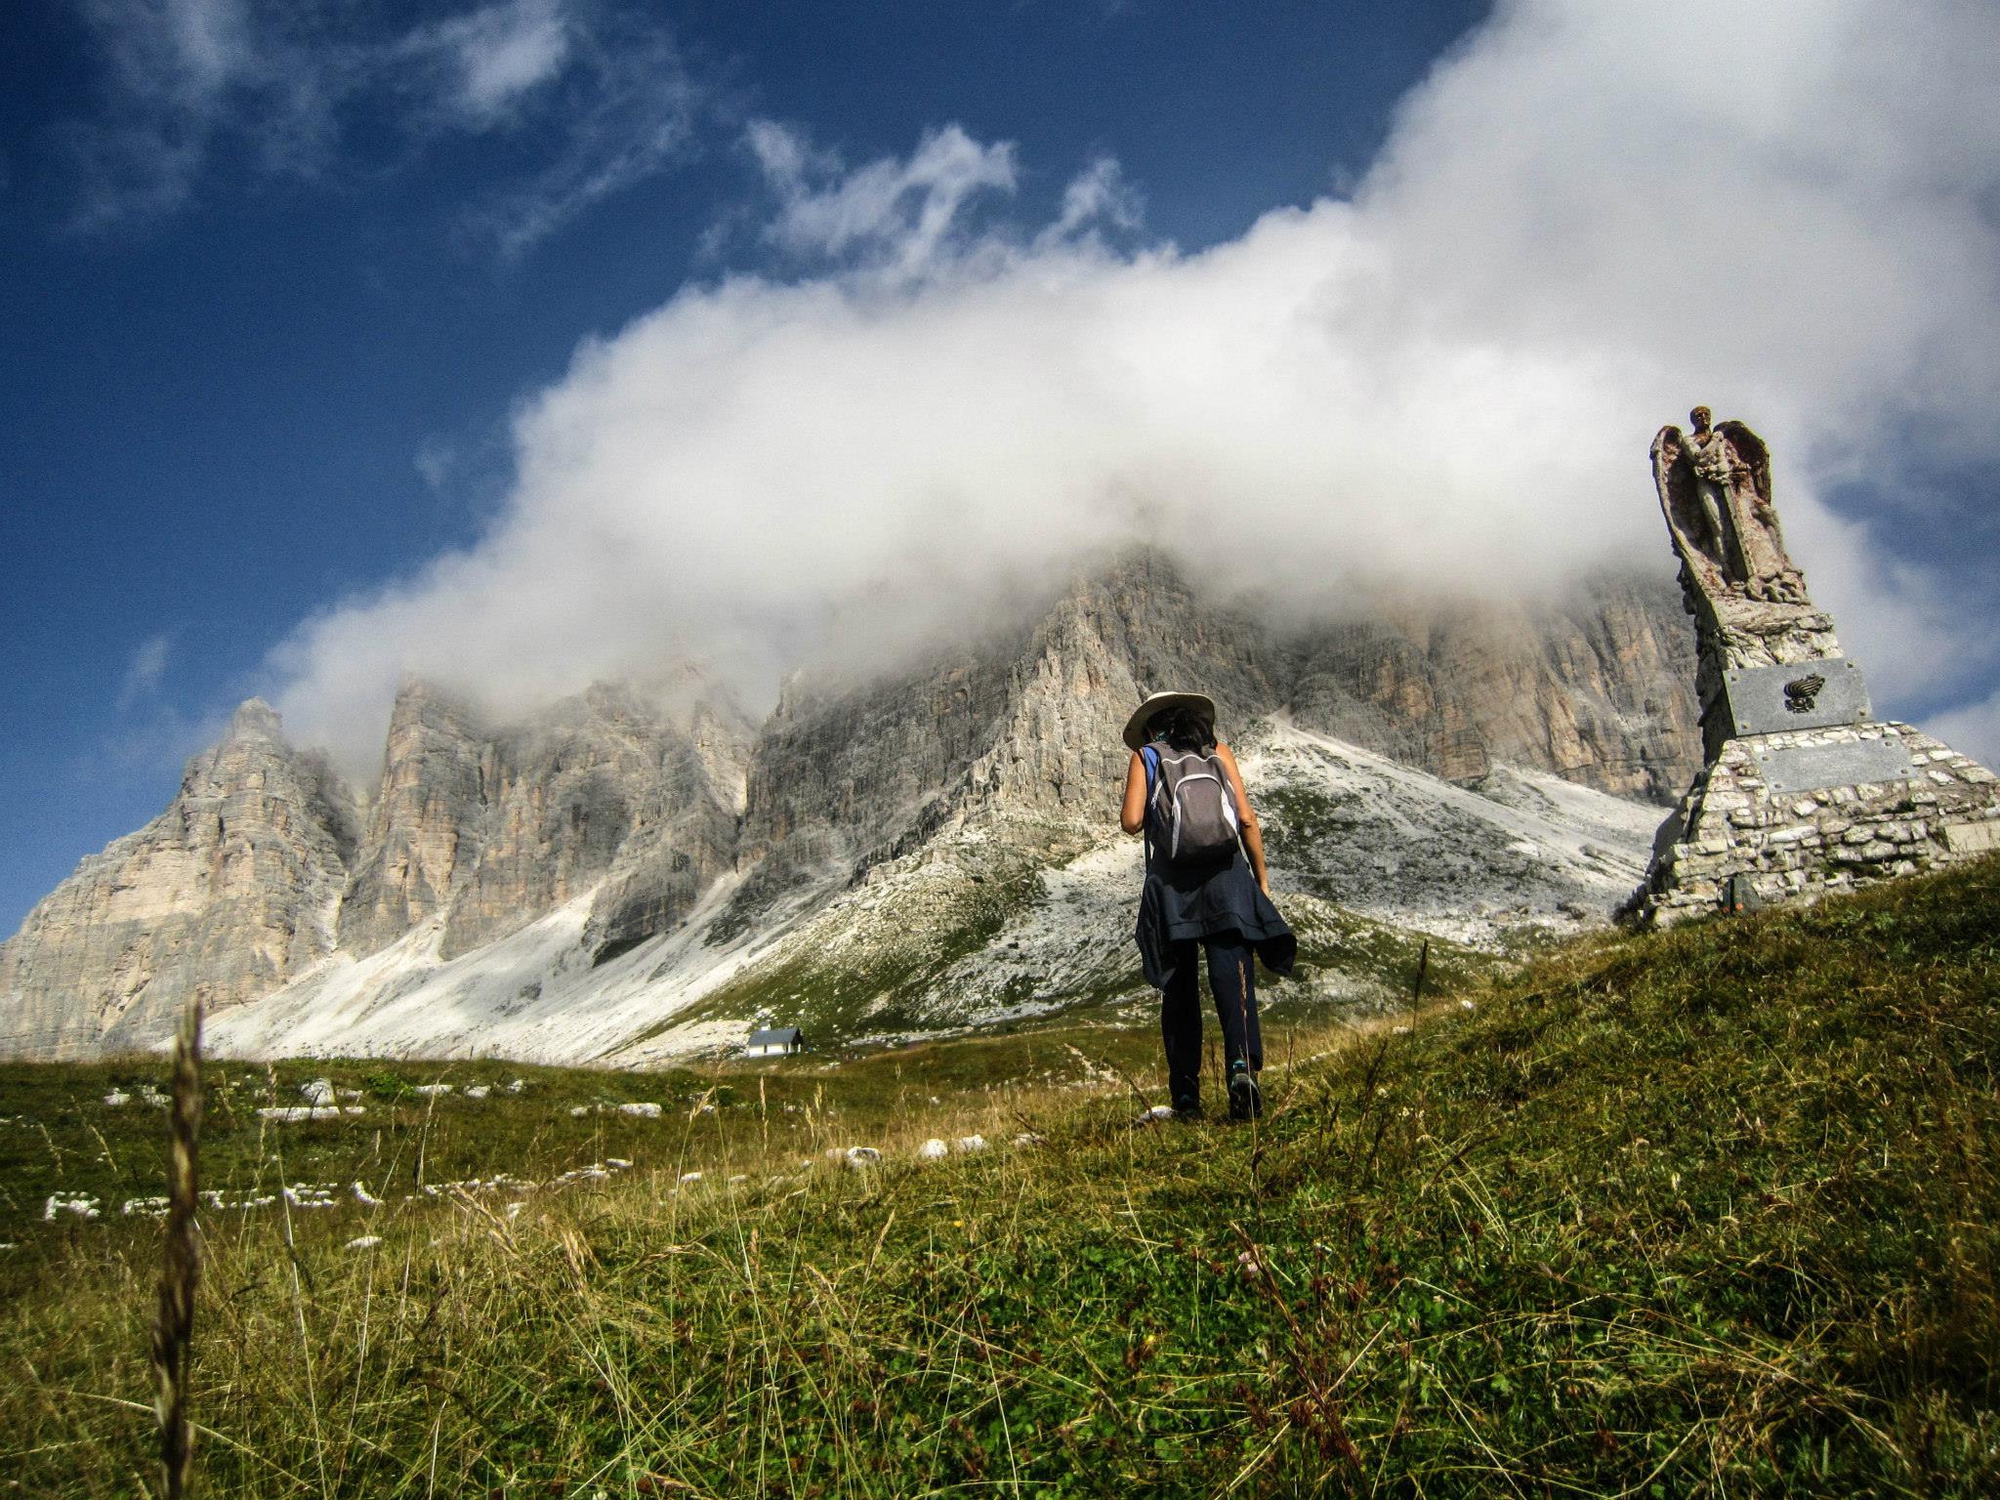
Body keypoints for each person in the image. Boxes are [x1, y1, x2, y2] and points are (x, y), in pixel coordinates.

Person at [1120, 691, 1295, 1121]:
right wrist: (1262, 881)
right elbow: (1247, 818)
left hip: (1172, 885)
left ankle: (1185, 1095)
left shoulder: (1147, 755)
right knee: (1232, 977)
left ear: (1151, 726)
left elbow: (1130, 822)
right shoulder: (1218, 751)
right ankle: (1242, 1070)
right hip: (1227, 880)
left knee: (1178, 991)